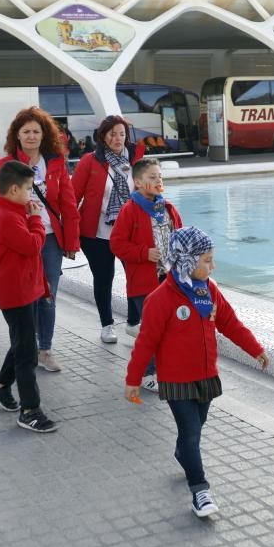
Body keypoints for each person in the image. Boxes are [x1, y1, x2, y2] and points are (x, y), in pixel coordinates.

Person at [125, 226, 269, 517]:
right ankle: (200, 491)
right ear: (187, 262)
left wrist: (255, 349)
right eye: (207, 260)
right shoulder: (161, 299)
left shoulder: (209, 290)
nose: (212, 266)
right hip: (177, 381)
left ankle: (183, 455)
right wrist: (133, 379)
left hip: (205, 377)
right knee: (190, 433)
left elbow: (230, 323)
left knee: (195, 429)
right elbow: (145, 343)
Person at [0, 107, 79, 373]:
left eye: (36, 131)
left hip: (49, 238)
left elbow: (68, 204)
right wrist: (16, 208)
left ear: (44, 134)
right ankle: (25, 345)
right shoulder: (5, 165)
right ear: (17, 135)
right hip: (19, 239)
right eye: (25, 131)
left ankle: (45, 349)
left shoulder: (56, 163)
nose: (31, 136)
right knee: (25, 296)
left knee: (48, 295)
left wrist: (71, 242)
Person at [0, 160, 57, 433]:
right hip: (15, 293)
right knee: (27, 352)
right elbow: (32, 246)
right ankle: (30, 410)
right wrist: (37, 219)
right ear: (14, 189)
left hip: (28, 289)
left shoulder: (15, 211)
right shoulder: (6, 216)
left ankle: (1, 385)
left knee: (23, 341)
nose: (32, 194)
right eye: (29, 188)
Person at [110, 157, 182, 392]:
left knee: (168, 327)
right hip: (144, 281)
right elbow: (117, 244)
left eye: (160, 176)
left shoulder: (168, 209)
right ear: (138, 183)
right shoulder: (130, 210)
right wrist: (144, 253)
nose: (158, 180)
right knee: (152, 329)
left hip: (168, 279)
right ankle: (146, 372)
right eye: (152, 177)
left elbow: (181, 239)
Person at [71, 115, 145, 344]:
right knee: (104, 278)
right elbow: (73, 197)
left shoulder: (136, 160)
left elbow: (148, 190)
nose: (117, 138)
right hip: (96, 233)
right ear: (103, 136)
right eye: (112, 134)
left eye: (121, 134)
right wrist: (69, 235)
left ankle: (134, 322)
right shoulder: (90, 161)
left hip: (130, 232)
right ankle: (107, 324)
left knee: (136, 275)